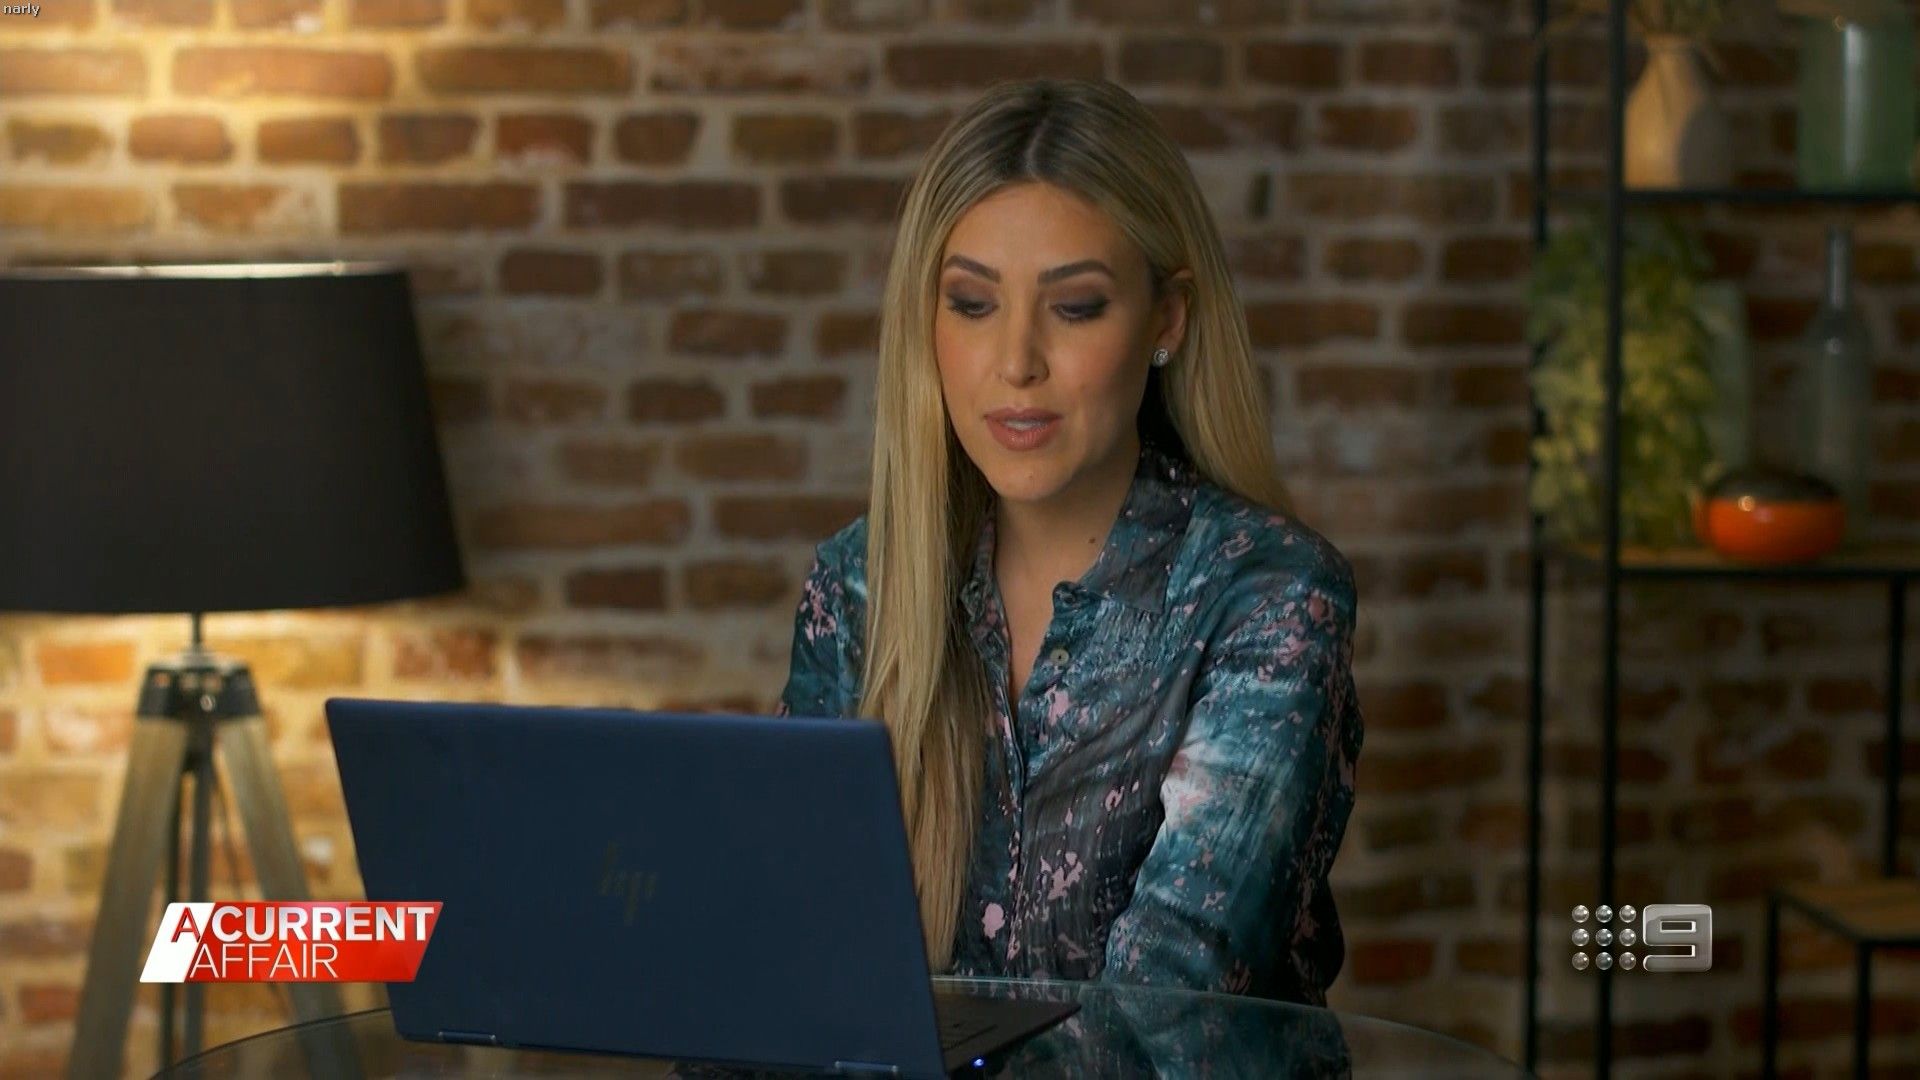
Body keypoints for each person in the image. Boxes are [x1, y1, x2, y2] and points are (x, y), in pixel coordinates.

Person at [776, 77, 1362, 1007]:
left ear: (1166, 319)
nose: (1017, 362)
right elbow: (791, 959)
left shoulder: (1269, 598)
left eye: (1076, 306)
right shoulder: (856, 588)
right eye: (972, 304)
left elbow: (1167, 999)